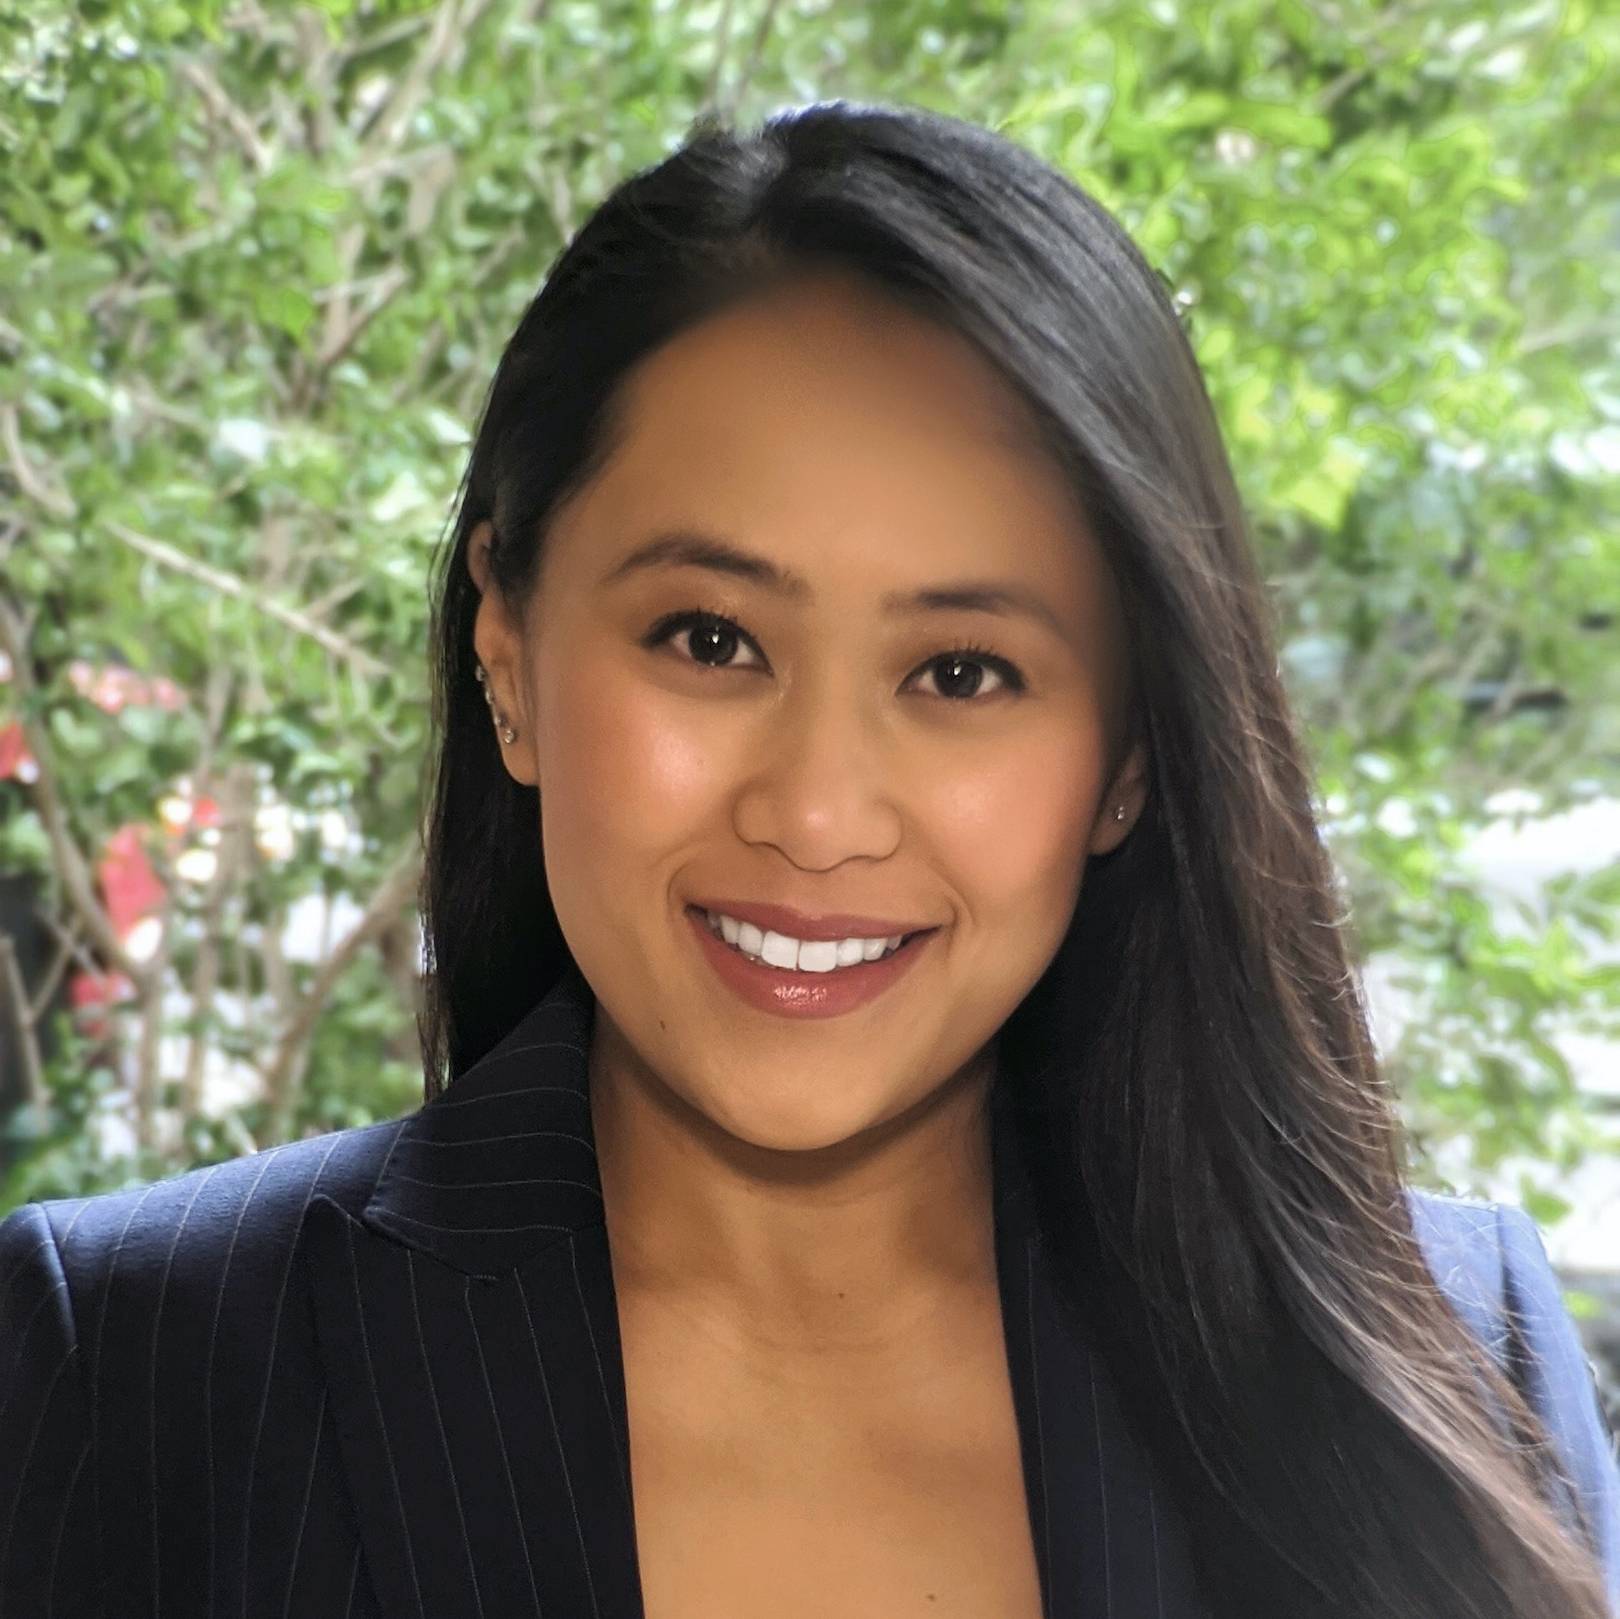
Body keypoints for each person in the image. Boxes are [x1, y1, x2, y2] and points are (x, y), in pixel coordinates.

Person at [2, 98, 1616, 1619]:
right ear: (509, 650)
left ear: (1129, 754)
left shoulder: (1456, 1363)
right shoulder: (133, 1368)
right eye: (709, 639)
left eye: (963, 672)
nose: (820, 813)